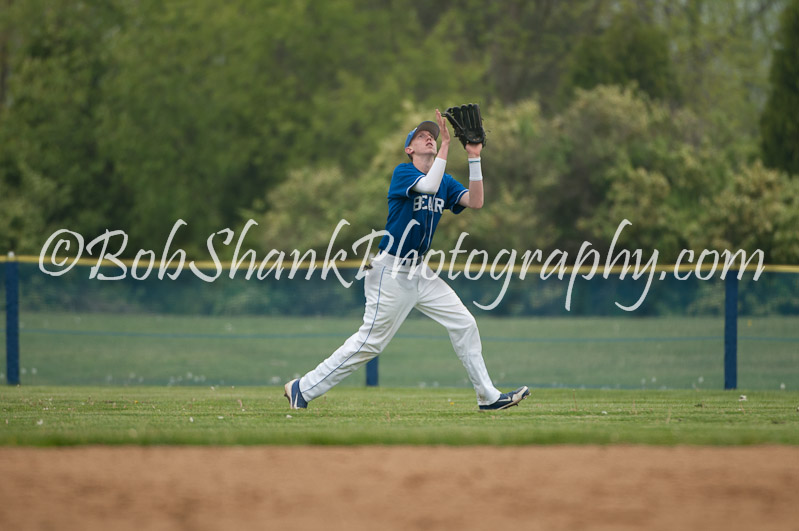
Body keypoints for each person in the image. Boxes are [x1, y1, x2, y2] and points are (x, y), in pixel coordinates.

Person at [284, 109, 529, 410]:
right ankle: (302, 388)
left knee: (464, 323)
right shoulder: (403, 173)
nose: (429, 138)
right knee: (370, 343)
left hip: (420, 273)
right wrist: (447, 145)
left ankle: (488, 397)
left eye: (432, 136)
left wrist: (474, 157)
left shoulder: (445, 181)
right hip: (390, 272)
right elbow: (428, 186)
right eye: (421, 136)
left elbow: (476, 201)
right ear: (409, 149)